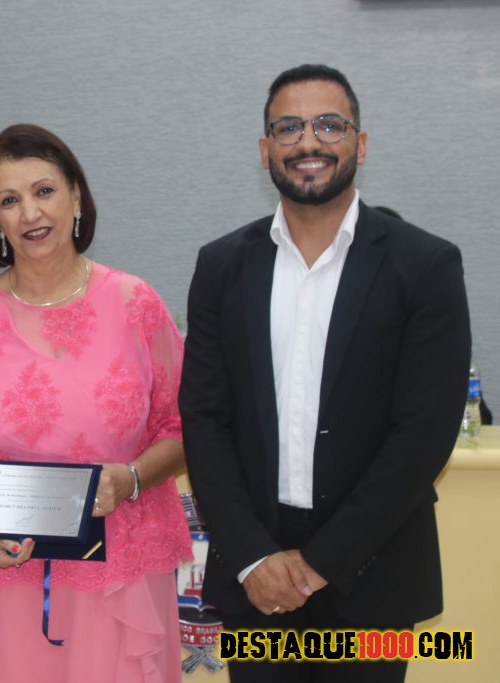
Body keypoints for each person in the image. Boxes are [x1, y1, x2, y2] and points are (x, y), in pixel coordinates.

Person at [179, 64, 471, 682]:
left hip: (374, 565)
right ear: (265, 151)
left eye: (329, 125)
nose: (308, 142)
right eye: (288, 128)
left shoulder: (425, 265)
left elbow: (423, 435)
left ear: (360, 144)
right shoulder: (222, 266)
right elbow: (203, 419)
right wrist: (253, 556)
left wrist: (322, 562)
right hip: (255, 575)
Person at [0, 124, 192, 682]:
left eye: (44, 191)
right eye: (9, 200)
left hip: (117, 576)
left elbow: (183, 426)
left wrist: (132, 479)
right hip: (0, 576)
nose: (31, 214)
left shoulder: (136, 304)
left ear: (76, 196)